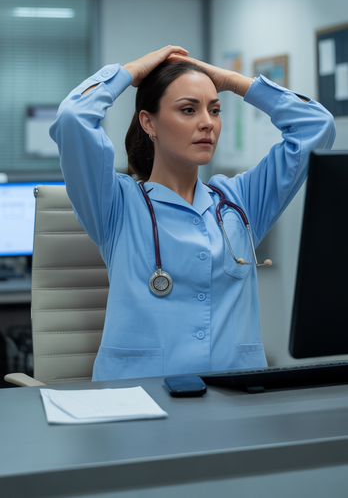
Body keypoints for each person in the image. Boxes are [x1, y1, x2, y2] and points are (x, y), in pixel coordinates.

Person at [50, 45, 336, 381]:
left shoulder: (240, 202)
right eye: (188, 110)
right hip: (139, 398)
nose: (207, 124)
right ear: (149, 123)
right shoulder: (115, 205)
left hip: (233, 397)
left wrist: (228, 80)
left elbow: (317, 126)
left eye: (215, 111)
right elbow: (73, 117)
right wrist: (130, 72)